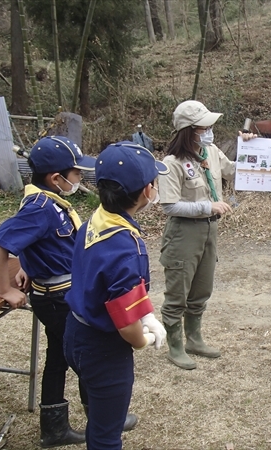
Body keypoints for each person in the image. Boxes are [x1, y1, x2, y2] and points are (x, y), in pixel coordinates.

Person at [0, 136, 95, 448]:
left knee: (60, 358)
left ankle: (55, 427)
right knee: (82, 355)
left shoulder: (51, 202)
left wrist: (27, 261)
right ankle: (97, 419)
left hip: (63, 291)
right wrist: (5, 288)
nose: (79, 179)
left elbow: (37, 241)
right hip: (57, 298)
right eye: (76, 174)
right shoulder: (40, 207)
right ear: (56, 178)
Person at [63, 142, 168, 449]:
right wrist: (142, 339)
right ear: (147, 191)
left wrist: (146, 314)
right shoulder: (126, 247)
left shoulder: (96, 219)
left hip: (76, 331)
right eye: (155, 184)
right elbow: (125, 326)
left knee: (99, 413)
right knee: (107, 436)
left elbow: (107, 284)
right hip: (104, 348)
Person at [158, 100, 256, 370]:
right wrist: (206, 206)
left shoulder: (211, 152)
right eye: (204, 127)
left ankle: (194, 338)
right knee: (178, 291)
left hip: (210, 229)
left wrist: (250, 147)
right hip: (183, 233)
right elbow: (168, 205)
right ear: (189, 130)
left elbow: (235, 170)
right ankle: (175, 346)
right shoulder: (172, 163)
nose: (210, 131)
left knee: (202, 288)